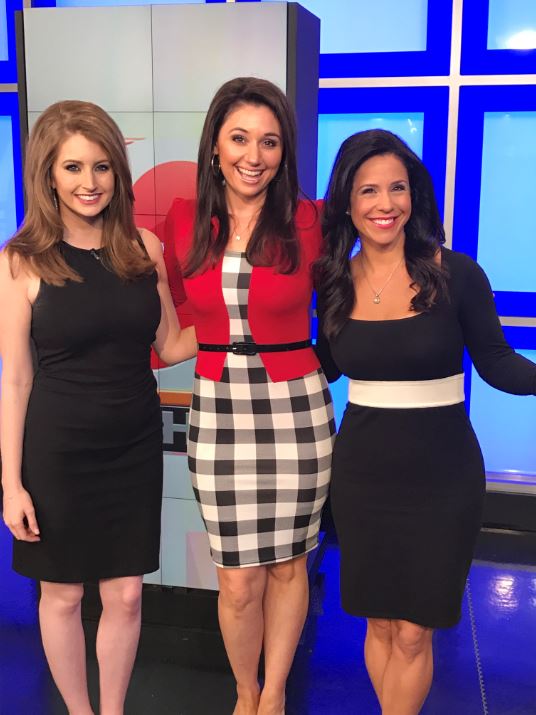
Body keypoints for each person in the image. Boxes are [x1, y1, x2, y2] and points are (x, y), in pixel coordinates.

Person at [315, 128, 536, 715]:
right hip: (362, 475)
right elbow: (323, 365)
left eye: (398, 188)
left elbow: (497, 362)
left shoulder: (457, 273)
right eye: (368, 191)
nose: (385, 204)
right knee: (379, 622)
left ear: (414, 195)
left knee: (414, 630)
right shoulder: (335, 282)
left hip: (443, 476)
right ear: (347, 202)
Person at [0, 100, 195, 715]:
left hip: (132, 445)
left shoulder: (145, 249)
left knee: (127, 596)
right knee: (61, 597)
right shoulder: (22, 260)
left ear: (118, 172)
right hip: (57, 451)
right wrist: (11, 484)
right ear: (49, 174)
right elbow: (15, 380)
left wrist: (246, 314)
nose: (90, 182)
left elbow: (171, 344)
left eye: (102, 166)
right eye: (74, 167)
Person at [164, 77, 335, 715]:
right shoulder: (185, 219)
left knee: (290, 565)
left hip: (296, 409)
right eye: (239, 138)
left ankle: (275, 694)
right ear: (215, 145)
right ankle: (245, 691)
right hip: (218, 408)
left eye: (269, 141)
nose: (253, 155)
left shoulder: (311, 220)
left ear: (284, 151)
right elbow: (179, 328)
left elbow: (357, 290)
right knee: (237, 581)